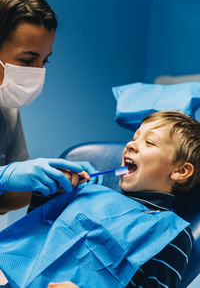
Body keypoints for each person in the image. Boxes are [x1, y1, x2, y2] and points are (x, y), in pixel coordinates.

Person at [0, 110, 198, 288]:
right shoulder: (88, 192)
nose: (131, 145)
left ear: (181, 171)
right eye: (135, 138)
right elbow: (33, 233)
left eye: (149, 142)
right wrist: (51, 193)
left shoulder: (170, 233)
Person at [0, 0, 99, 214]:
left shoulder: (6, 111)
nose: (36, 73)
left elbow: (6, 200)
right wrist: (4, 177)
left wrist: (51, 184)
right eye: (27, 60)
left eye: (44, 62)